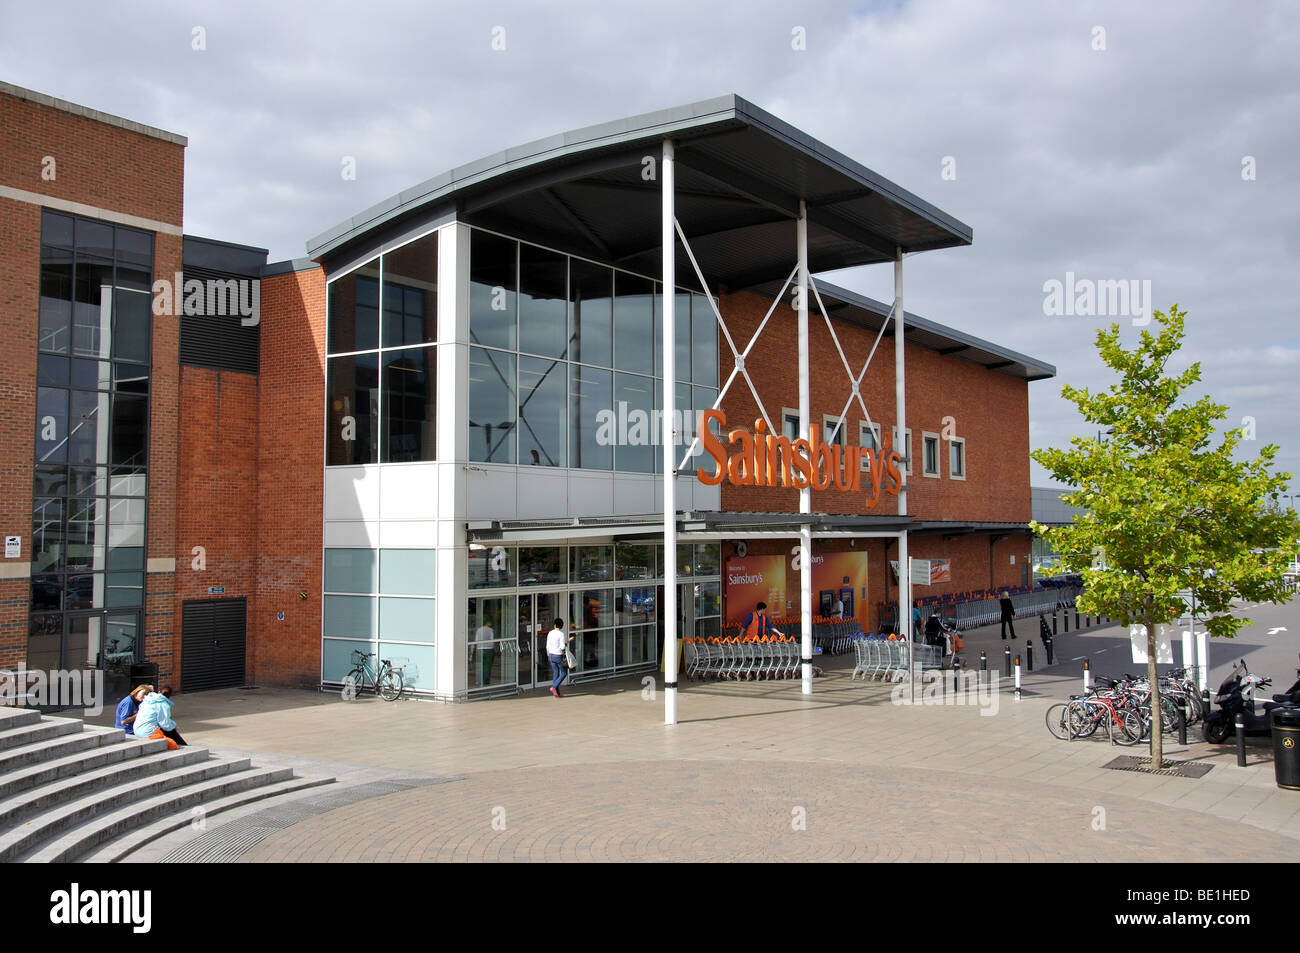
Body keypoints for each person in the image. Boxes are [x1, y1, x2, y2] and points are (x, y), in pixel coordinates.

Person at [546, 617, 574, 698]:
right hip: (558, 655)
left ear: (554, 625)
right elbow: (562, 647)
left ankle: (557, 693)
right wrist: (568, 641)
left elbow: (547, 646)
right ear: (561, 626)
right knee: (564, 673)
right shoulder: (561, 634)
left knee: (555, 673)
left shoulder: (550, 633)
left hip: (551, 655)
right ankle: (554, 687)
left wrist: (548, 655)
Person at [475, 616, 496, 686]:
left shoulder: (479, 630)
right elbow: (492, 641)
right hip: (488, 650)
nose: (491, 623)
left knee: (481, 666)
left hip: (480, 649)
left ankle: (479, 680)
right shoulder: (490, 630)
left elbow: (476, 640)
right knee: (487, 666)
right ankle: (486, 682)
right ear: (488, 622)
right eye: (490, 622)